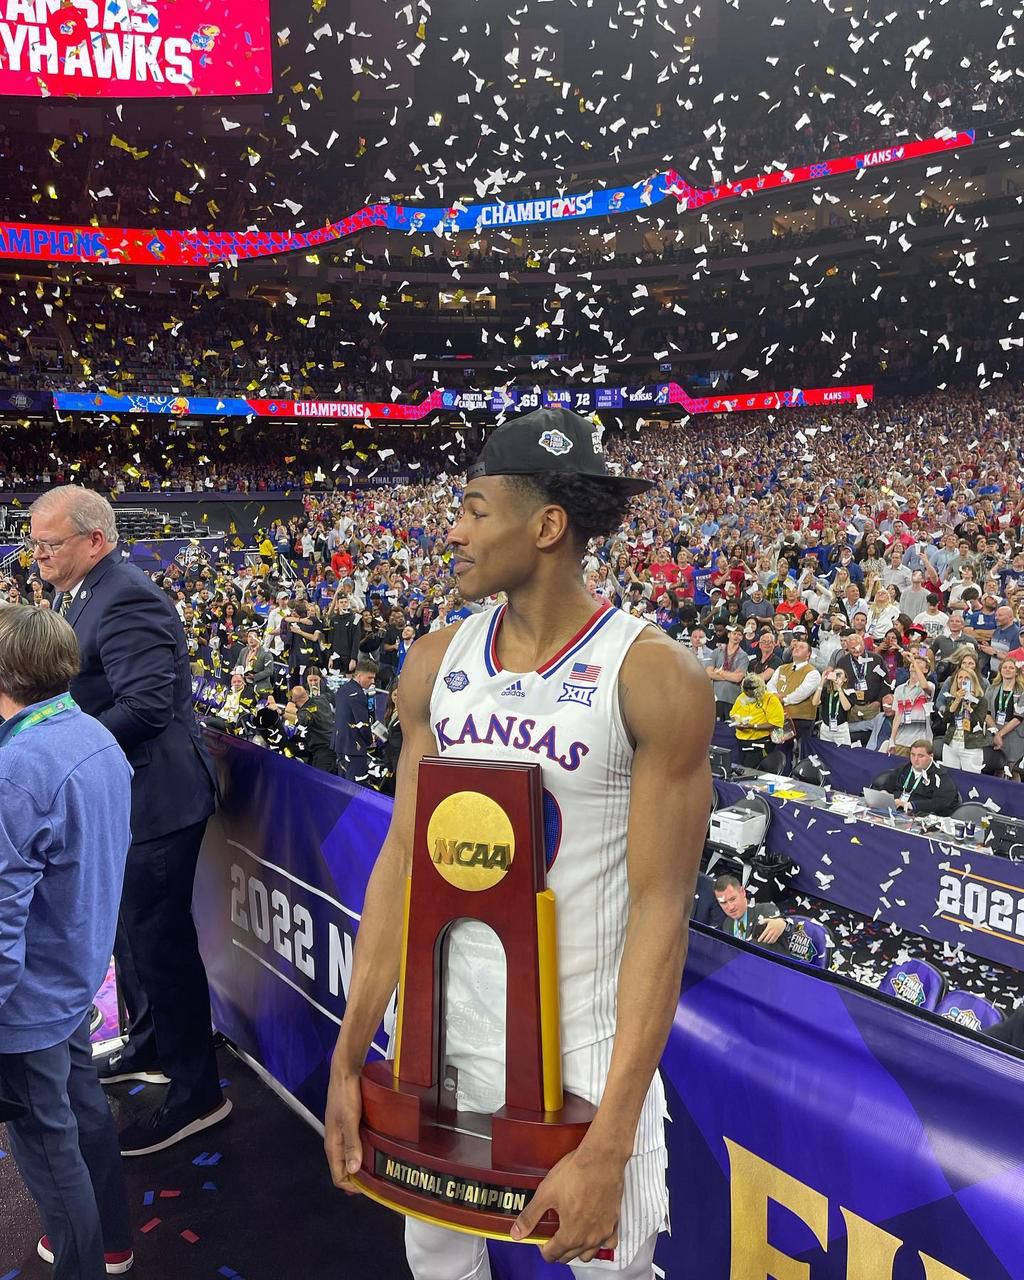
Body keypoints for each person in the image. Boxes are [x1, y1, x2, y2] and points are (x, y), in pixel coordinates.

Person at [324, 407, 713, 1277]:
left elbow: (662, 912)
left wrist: (611, 1141)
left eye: (473, 509)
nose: (453, 531)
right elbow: (401, 864)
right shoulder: (433, 662)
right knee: (439, 1266)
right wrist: (351, 1056)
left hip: (583, 1050)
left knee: (613, 1269)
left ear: (546, 526)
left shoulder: (653, 675)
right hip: (436, 1038)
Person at [27, 486, 228, 1157]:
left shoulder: (126, 594)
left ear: (93, 539)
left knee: (160, 945)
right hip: (127, 801)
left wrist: (57, 747)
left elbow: (145, 708)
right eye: (34, 543)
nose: (38, 556)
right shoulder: (82, 590)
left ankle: (199, 1094)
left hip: (158, 803)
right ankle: (150, 1048)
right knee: (132, 939)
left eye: (48, 544)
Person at [0, 607, 134, 1279]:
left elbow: (1, 919)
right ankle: (103, 1248)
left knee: (52, 1160)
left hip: (27, 1008)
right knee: (72, 1131)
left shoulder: (18, 768)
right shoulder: (92, 734)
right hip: (74, 976)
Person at [870, 739, 960, 816]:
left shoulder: (940, 775)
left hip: (921, 815)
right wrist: (883, 794)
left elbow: (941, 802)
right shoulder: (904, 768)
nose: (915, 759)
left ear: (931, 756)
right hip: (896, 811)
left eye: (920, 756)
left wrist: (910, 804)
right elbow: (887, 786)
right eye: (913, 755)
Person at [334, 659, 378, 783]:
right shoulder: (358, 695)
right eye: (370, 678)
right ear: (359, 676)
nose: (373, 681)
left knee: (342, 784)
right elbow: (362, 725)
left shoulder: (343, 689)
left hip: (340, 745)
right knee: (354, 787)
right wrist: (370, 739)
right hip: (354, 749)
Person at [712, 875, 788, 948]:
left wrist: (782, 922)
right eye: (724, 903)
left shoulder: (765, 910)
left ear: (742, 892)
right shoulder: (727, 924)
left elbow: (788, 932)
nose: (731, 907)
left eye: (733, 899)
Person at [938, 664, 989, 773]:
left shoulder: (981, 700)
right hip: (951, 744)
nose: (962, 680)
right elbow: (945, 720)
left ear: (973, 680)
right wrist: (956, 701)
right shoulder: (952, 698)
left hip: (971, 744)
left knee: (971, 780)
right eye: (960, 677)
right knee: (949, 777)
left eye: (966, 678)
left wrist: (969, 708)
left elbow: (978, 723)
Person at [729, 673, 785, 767]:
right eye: (745, 689)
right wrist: (736, 722)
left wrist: (753, 726)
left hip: (759, 741)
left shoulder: (770, 699)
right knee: (742, 767)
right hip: (741, 740)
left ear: (757, 689)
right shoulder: (742, 697)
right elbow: (732, 714)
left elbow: (775, 723)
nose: (746, 693)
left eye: (749, 690)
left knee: (752, 768)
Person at [812, 666, 854, 746]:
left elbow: (846, 707)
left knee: (844, 752)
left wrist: (839, 688)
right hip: (826, 727)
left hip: (841, 728)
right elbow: (815, 703)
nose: (836, 676)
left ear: (845, 679)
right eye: (835, 674)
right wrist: (821, 683)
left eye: (839, 674)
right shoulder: (826, 691)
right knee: (826, 751)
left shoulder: (849, 692)